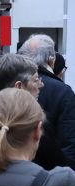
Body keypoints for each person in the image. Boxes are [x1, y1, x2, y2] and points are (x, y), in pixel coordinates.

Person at [19, 34, 75, 169]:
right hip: (53, 174)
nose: (40, 85)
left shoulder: (10, 82)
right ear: (51, 60)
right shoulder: (62, 91)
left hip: (15, 169)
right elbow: (69, 142)